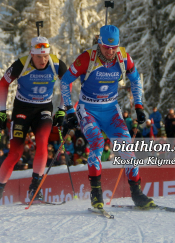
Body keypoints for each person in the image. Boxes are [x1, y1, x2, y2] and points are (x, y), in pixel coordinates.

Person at [60, 25, 153, 209]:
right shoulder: (87, 57)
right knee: (97, 144)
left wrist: (139, 106)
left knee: (127, 149)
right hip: (88, 110)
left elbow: (135, 80)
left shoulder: (123, 57)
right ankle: (96, 194)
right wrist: (69, 110)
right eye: (106, 47)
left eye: (114, 47)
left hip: (111, 110)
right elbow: (65, 81)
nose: (110, 51)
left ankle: (137, 194)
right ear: (99, 43)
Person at [0, 36, 68, 207]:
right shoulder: (21, 64)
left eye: (45, 56)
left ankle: (35, 187)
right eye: (38, 56)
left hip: (43, 109)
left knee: (43, 143)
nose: (43, 60)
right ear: (31, 54)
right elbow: (3, 83)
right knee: (16, 152)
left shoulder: (57, 64)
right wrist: (2, 111)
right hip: (22, 110)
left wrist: (61, 109)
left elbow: (67, 83)